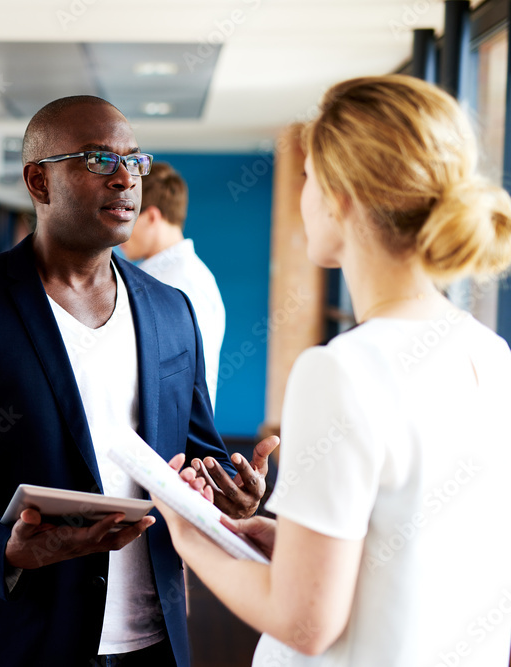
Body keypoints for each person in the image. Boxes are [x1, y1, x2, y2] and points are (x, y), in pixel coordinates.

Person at [0, 95, 278, 666]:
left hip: (155, 639)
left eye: (133, 160)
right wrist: (5, 547)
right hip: (21, 641)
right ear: (39, 182)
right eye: (97, 160)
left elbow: (196, 453)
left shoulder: (172, 312)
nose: (124, 178)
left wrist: (229, 494)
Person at [154, 75, 511, 666]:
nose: (305, 195)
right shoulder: (491, 354)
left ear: (339, 196)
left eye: (309, 177)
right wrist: (293, 544)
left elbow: (305, 623)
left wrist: (189, 536)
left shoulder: (342, 370)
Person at [119, 163, 225, 409]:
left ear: (152, 217)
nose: (121, 228)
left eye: (128, 213)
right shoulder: (188, 275)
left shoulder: (174, 283)